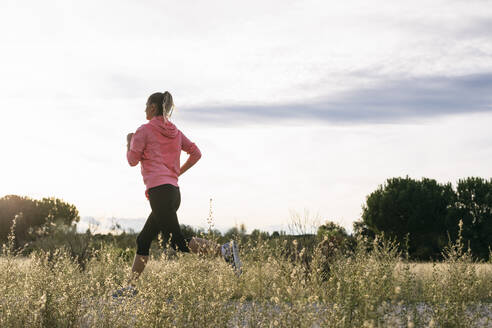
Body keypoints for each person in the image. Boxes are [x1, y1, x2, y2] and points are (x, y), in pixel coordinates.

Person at [114, 91, 241, 297]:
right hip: (173, 192)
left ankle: (224, 250)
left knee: (177, 242)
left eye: (146, 105)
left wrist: (129, 142)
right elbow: (196, 153)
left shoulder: (143, 131)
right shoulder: (176, 133)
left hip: (160, 194)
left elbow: (132, 160)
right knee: (144, 239)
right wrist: (176, 173)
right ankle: (130, 287)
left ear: (153, 108)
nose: (145, 109)